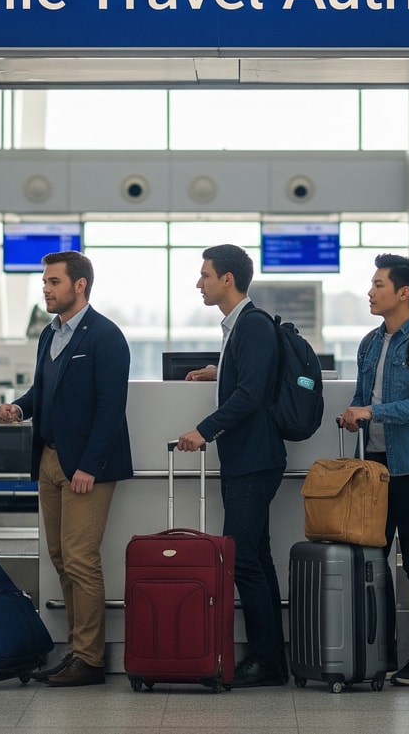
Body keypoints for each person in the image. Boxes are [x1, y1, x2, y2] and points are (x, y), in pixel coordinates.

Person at [0, 251, 132, 687]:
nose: (46, 289)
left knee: (80, 558)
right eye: (45, 282)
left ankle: (90, 659)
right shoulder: (49, 334)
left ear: (80, 285)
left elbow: (111, 408)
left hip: (86, 467)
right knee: (60, 558)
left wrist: (90, 465)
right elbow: (44, 389)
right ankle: (76, 650)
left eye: (53, 282)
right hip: (50, 459)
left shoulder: (106, 336)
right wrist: (20, 407)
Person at [176, 244, 287, 688]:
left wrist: (204, 430)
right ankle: (271, 658)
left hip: (254, 460)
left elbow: (250, 395)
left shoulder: (253, 324)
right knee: (256, 556)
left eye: (205, 275)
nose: (198, 283)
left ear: (228, 279)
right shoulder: (238, 326)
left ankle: (265, 659)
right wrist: (217, 370)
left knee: (242, 560)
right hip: (246, 459)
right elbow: (245, 379)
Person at [338, 254, 409, 687]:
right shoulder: (369, 342)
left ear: (403, 293)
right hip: (374, 467)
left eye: (378, 284)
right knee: (373, 559)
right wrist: (354, 414)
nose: (370, 291)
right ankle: (379, 653)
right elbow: (362, 396)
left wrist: (373, 412)